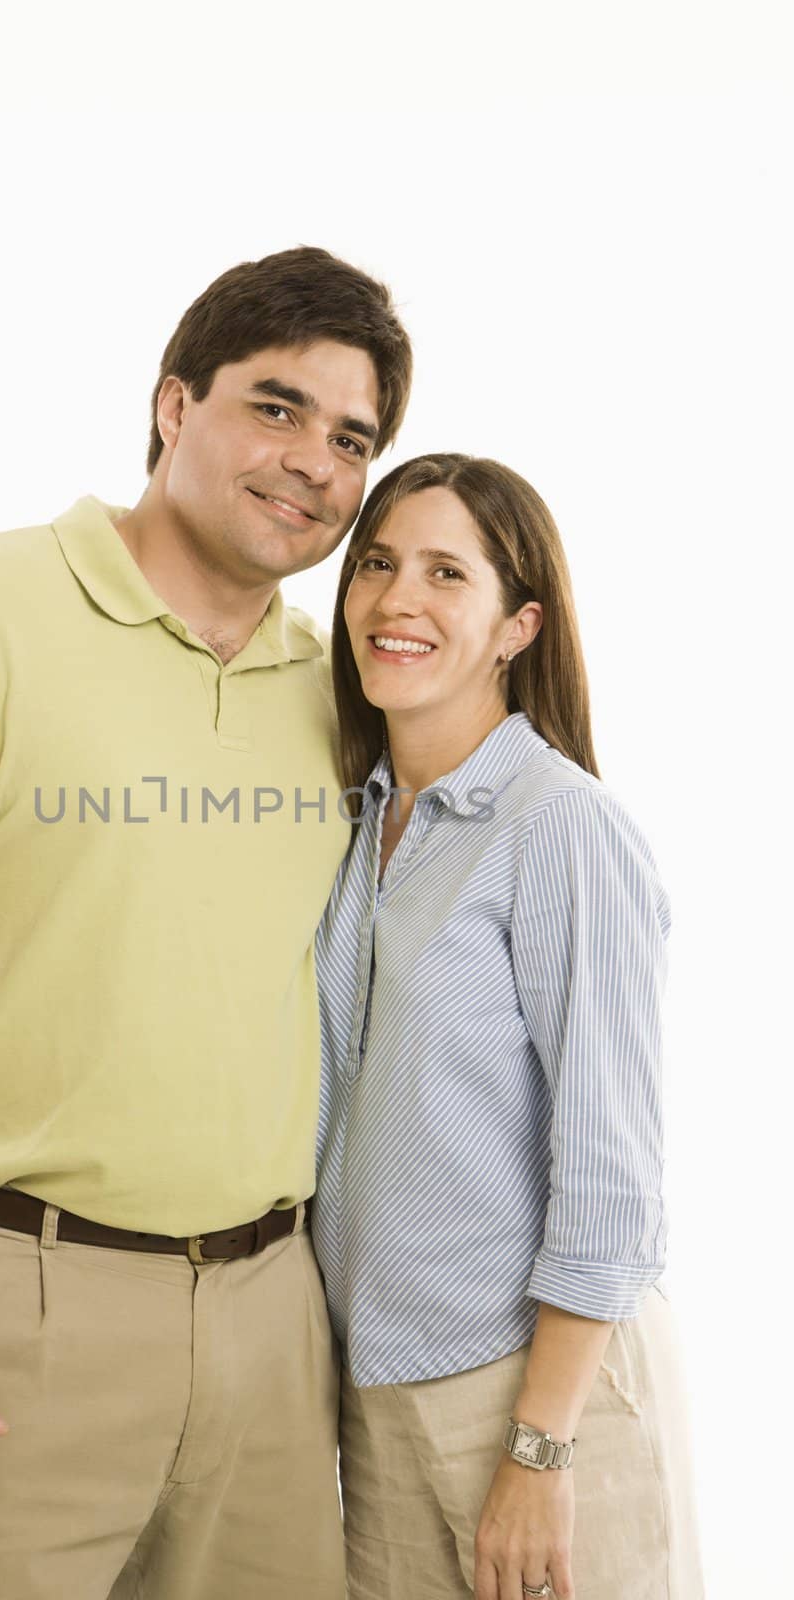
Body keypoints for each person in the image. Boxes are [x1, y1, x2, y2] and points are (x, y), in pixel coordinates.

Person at [0, 245, 413, 1600]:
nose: (312, 459)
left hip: (271, 1319)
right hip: (18, 1310)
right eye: (274, 406)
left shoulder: (338, 689)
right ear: (172, 406)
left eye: (350, 437)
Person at [312, 454, 704, 1599]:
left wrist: (539, 1448)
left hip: (539, 1392)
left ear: (512, 626)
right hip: (376, 1393)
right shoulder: (358, 818)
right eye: (377, 563)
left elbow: (609, 1171)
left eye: (446, 572)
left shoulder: (559, 829)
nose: (396, 600)